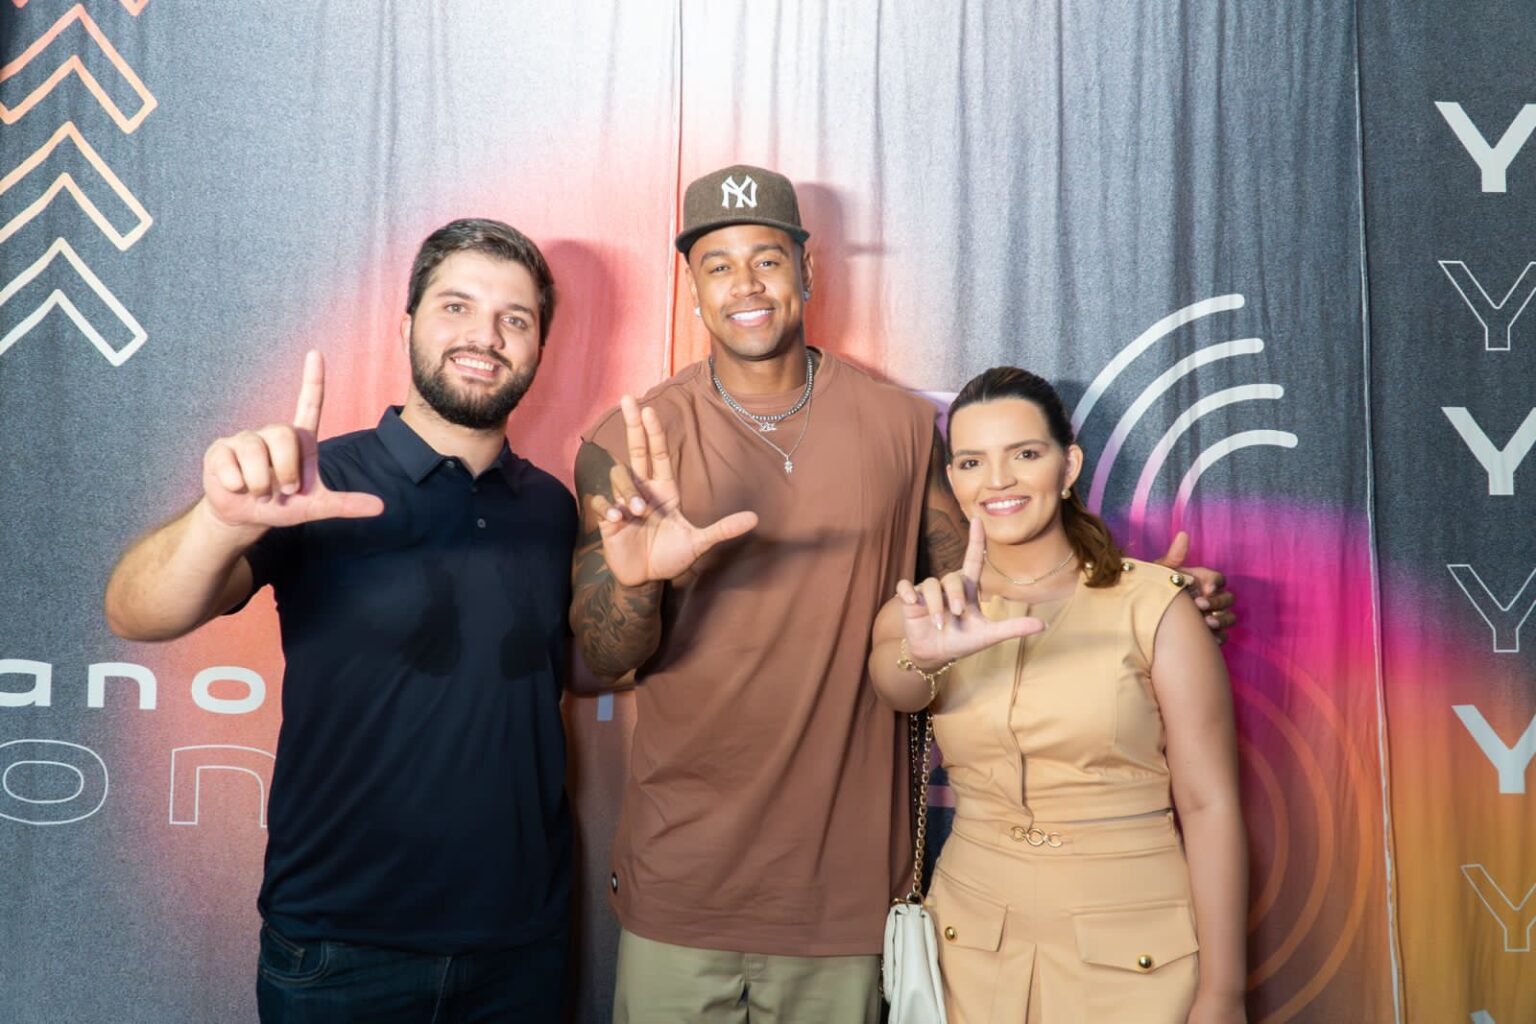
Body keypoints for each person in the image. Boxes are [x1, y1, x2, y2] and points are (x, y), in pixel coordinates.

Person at [570, 164, 1239, 1023]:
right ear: (692, 285)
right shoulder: (631, 440)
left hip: (846, 893)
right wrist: (637, 582)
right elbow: (603, 654)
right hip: (682, 886)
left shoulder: (898, 427)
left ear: (808, 271)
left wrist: (1154, 597)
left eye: (768, 259)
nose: (746, 284)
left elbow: (992, 569)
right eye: (718, 263)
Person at [103, 219, 575, 1023]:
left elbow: (572, 669)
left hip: (520, 951)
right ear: (407, 326)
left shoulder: (552, 508)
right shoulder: (313, 480)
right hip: (340, 953)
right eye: (456, 307)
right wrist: (223, 522)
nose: (485, 337)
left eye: (515, 319)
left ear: (537, 347)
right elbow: (135, 611)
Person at [868, 366, 1248, 1024]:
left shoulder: (1156, 607)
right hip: (971, 954)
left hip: (1135, 956)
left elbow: (1209, 803)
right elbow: (894, 681)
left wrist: (1224, 992)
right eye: (971, 461)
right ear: (952, 479)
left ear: (1067, 465)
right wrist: (922, 654)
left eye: (1025, 454)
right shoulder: (931, 612)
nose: (999, 481)